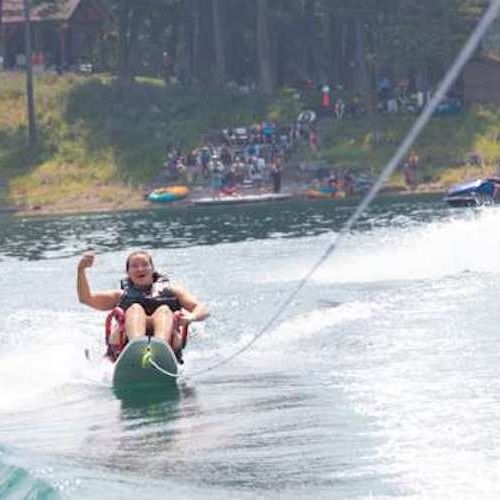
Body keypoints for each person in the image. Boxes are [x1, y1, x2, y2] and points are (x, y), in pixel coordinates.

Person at [77, 250, 209, 360]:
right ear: (127, 272)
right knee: (135, 309)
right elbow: (86, 298)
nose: (140, 268)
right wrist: (81, 270)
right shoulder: (120, 295)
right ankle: (137, 349)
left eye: (145, 264)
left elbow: (201, 309)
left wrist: (191, 317)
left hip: (166, 340)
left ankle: (160, 349)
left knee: (164, 310)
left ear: (152, 269)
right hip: (127, 341)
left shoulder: (174, 291)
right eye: (134, 266)